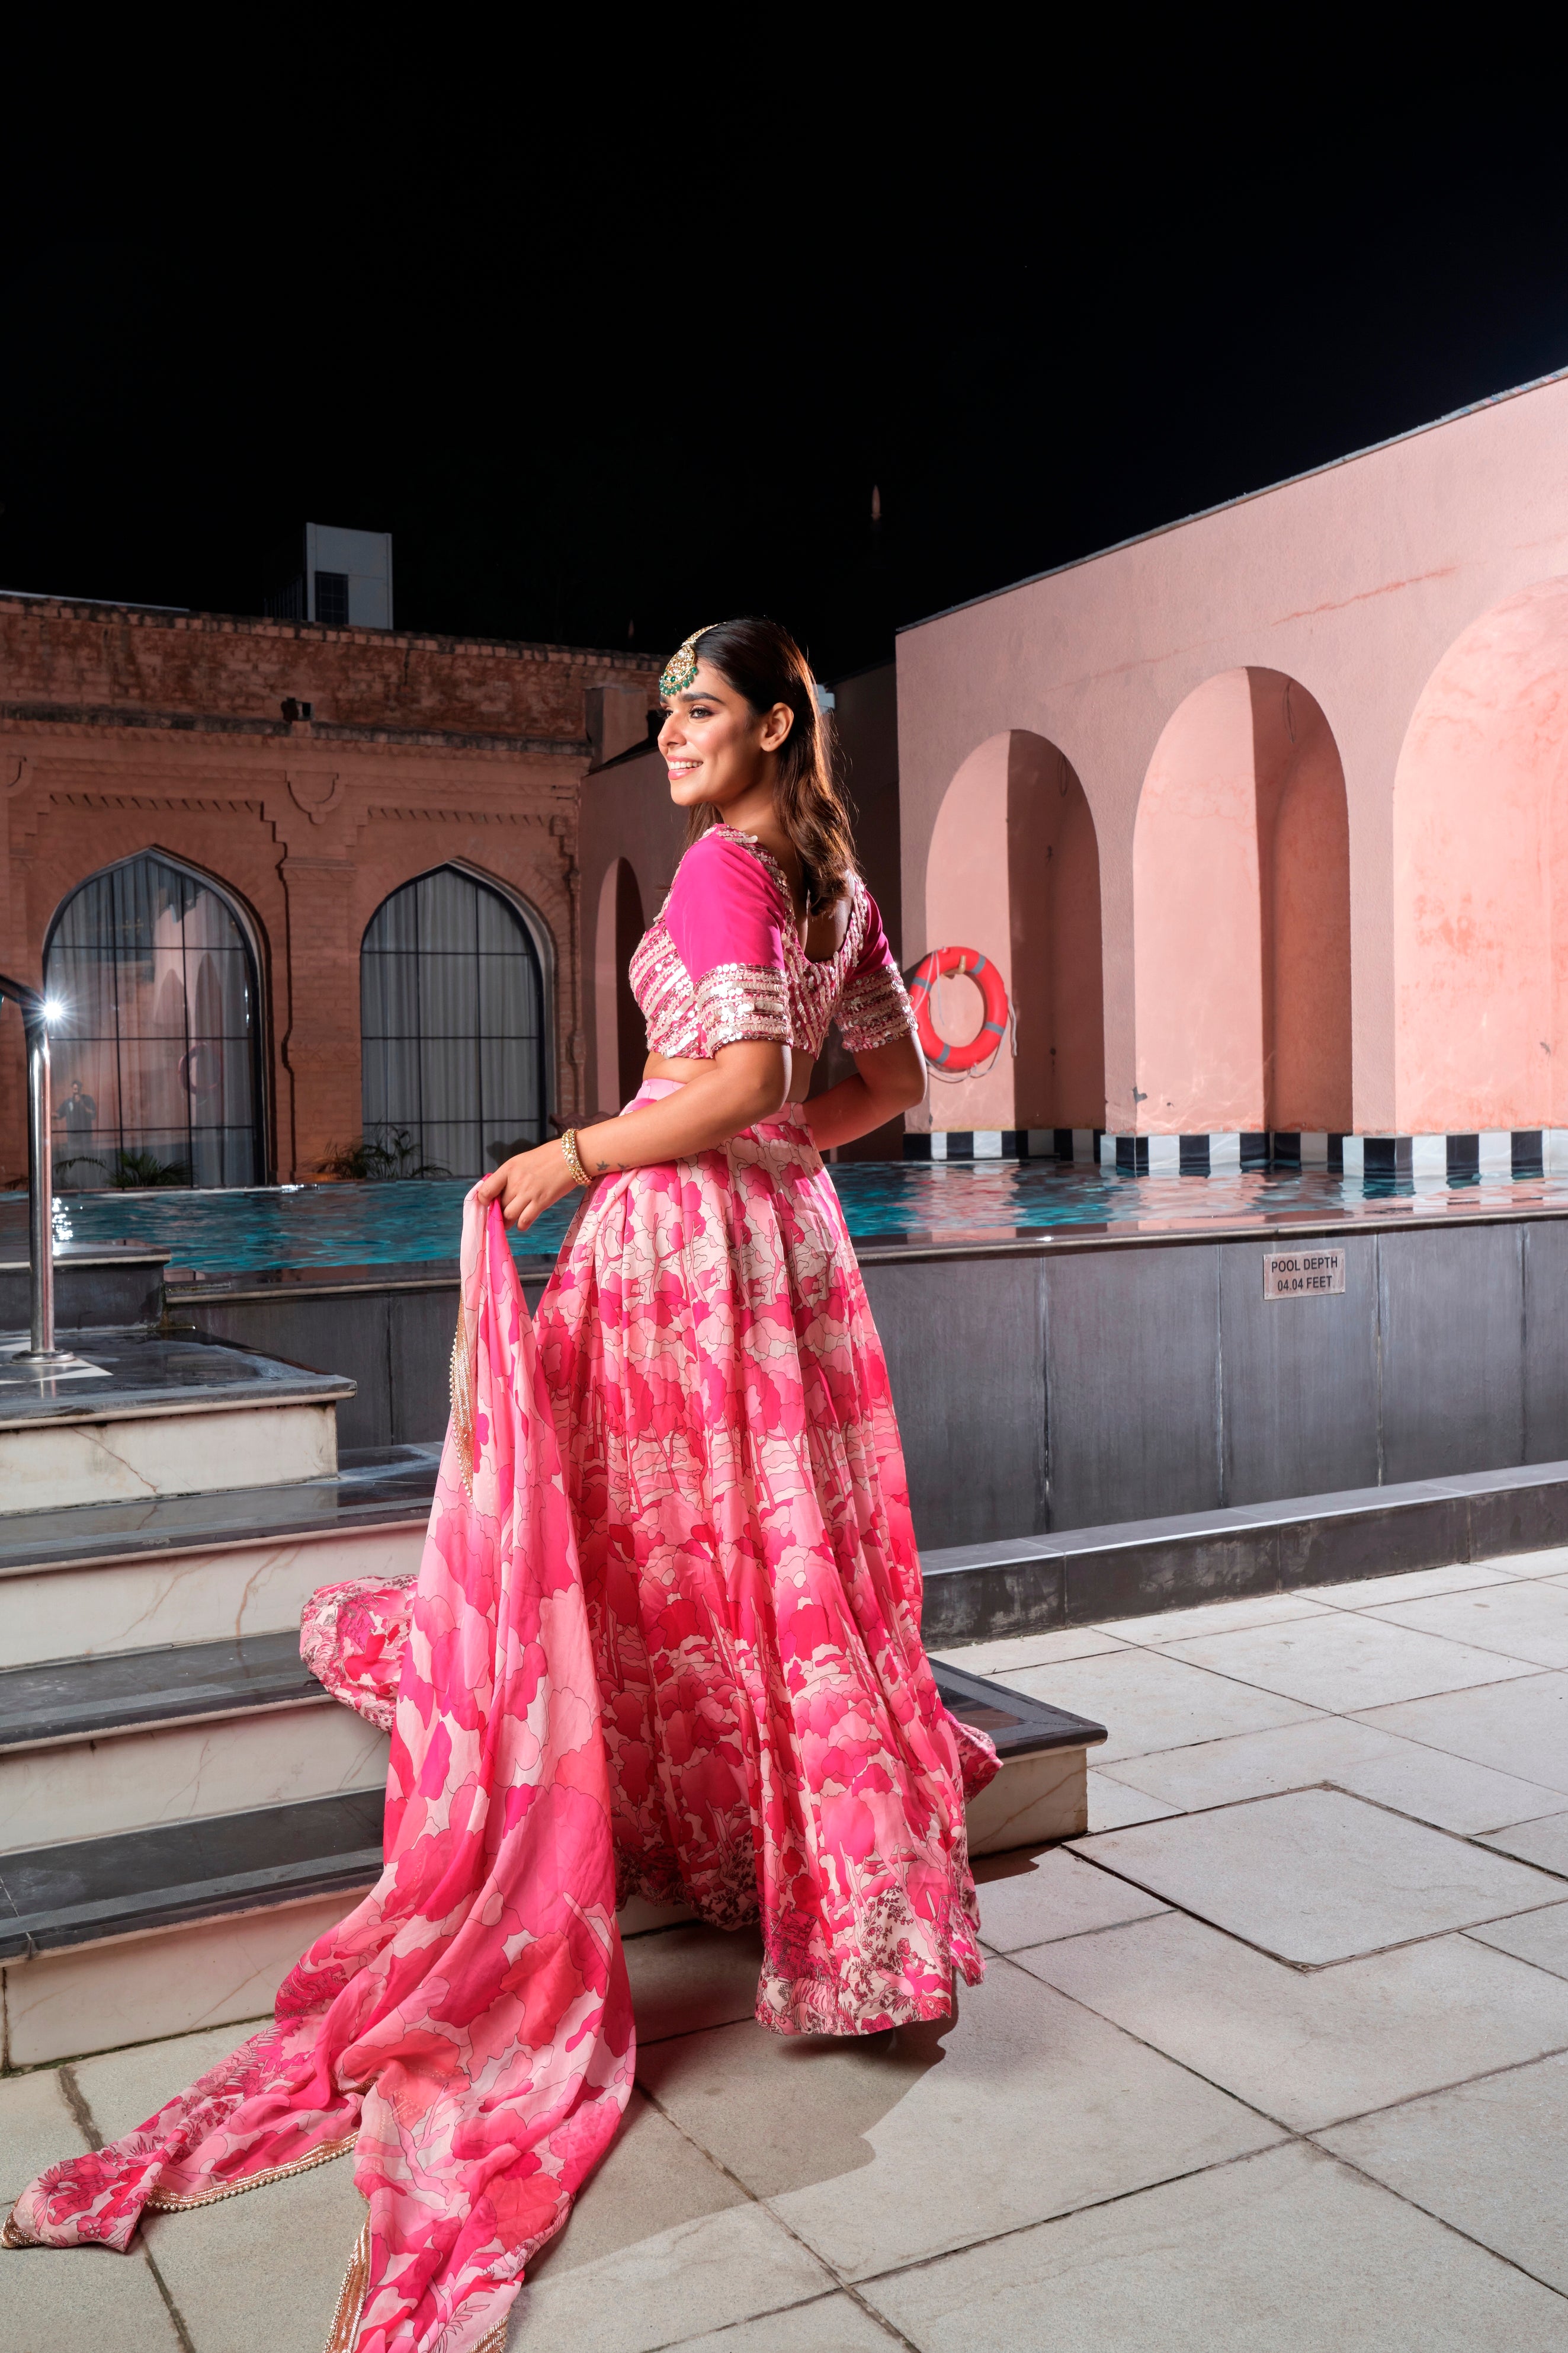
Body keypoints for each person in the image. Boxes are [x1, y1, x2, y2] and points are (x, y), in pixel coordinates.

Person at [5, 617, 993, 2350]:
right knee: (769, 1553)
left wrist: (579, 1152)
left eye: (700, 709)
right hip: (791, 1250)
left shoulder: (718, 868)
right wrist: (764, 1153)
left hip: (686, 1248)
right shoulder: (837, 883)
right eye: (666, 708)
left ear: (774, 726)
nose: (674, 730)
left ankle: (679, 1831)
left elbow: (755, 1073)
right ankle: (822, 1888)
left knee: (642, 1548)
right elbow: (887, 1085)